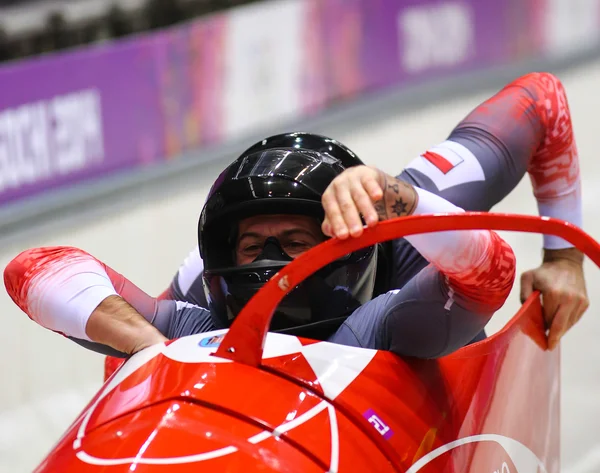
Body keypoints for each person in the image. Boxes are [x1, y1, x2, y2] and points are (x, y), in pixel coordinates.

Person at [3, 72, 588, 378]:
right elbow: (32, 269)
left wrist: (564, 260)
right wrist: (153, 350)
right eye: (253, 242)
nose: (268, 260)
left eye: (297, 242)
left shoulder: (422, 201)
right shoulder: (198, 288)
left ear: (350, 238)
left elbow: (542, 101)